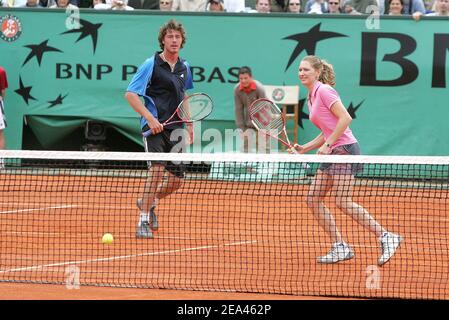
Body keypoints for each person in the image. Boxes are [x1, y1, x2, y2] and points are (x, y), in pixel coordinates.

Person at [292, 55, 403, 265]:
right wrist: (305, 147)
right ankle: (340, 246)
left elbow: (345, 118)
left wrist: (328, 144)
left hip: (344, 150)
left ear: (317, 72)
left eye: (306, 69)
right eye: (299, 70)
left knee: (342, 200)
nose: (301, 73)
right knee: (313, 198)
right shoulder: (311, 96)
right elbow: (327, 129)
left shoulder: (324, 90)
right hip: (334, 149)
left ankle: (387, 236)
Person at [125, 20, 194, 239]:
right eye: (170, 36)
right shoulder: (150, 64)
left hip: (177, 128)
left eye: (177, 37)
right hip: (153, 129)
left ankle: (149, 201)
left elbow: (184, 95)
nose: (174, 40)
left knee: (176, 181)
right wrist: (149, 118)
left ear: (182, 41)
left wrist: (190, 124)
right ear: (163, 40)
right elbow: (130, 94)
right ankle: (143, 221)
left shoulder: (185, 67)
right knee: (156, 173)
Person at [233, 66, 271, 153]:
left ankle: (264, 166)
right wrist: (241, 128)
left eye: (245, 78)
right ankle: (248, 166)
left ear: (251, 77)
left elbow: (264, 108)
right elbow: (238, 109)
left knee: (263, 147)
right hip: (248, 121)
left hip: (263, 120)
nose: (243, 81)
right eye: (241, 78)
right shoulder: (237, 90)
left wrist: (263, 128)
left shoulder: (259, 88)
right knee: (246, 147)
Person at [0, 66, 8, 153]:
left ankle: (1, 163)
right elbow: (2, 92)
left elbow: (2, 91)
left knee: (0, 134)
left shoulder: (1, 71)